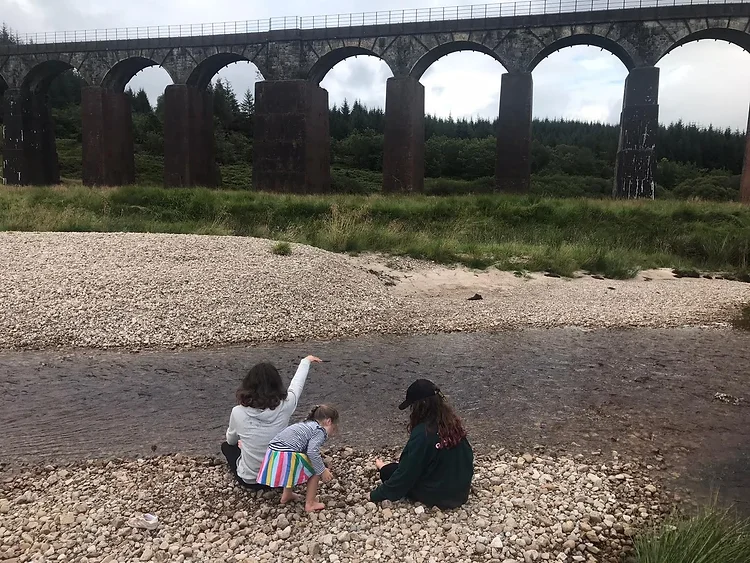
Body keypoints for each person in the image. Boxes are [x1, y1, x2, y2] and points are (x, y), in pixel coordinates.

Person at [370, 379, 474, 509]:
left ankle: (383, 466)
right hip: (461, 493)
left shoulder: (423, 433)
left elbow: (405, 475)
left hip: (438, 496)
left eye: (412, 406)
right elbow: (468, 457)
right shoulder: (453, 425)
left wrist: (374, 495)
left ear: (420, 406)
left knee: (389, 472)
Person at [221, 355, 322, 489]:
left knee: (226, 447)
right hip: (280, 479)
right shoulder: (286, 405)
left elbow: (231, 440)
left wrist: (244, 444)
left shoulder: (238, 412)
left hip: (251, 481)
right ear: (277, 385)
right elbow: (297, 385)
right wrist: (305, 362)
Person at [257, 405, 339, 512]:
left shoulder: (307, 424)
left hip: (273, 454)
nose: (332, 433)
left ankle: (287, 495)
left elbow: (303, 449)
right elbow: (312, 452)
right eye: (333, 428)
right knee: (315, 470)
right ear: (328, 421)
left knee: (295, 463)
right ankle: (310, 503)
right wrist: (322, 470)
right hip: (285, 456)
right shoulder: (320, 430)